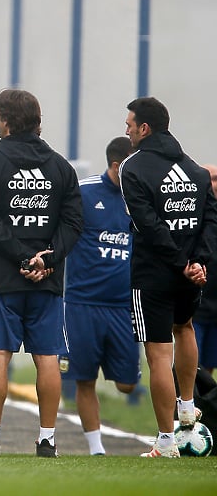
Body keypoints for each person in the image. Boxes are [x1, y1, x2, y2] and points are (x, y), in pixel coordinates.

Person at [0, 88, 83, 457]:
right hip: (47, 279)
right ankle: (48, 439)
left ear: (3, 120)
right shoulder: (61, 168)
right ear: (38, 121)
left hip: (2, 276)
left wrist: (21, 257)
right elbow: (73, 222)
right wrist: (46, 259)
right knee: (47, 356)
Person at [118, 96, 217, 458]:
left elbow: (150, 226)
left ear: (145, 128)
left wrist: (180, 262)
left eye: (129, 123)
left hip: (154, 274)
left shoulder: (134, 168)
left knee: (159, 354)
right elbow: (210, 218)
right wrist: (198, 262)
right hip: (191, 274)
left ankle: (165, 441)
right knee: (186, 326)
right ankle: (188, 406)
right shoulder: (194, 169)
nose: (126, 129)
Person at [61, 136, 140, 455]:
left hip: (123, 306)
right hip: (82, 304)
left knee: (127, 384)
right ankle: (96, 448)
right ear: (116, 165)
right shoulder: (84, 192)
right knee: (84, 379)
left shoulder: (139, 197)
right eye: (131, 169)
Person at [192, 164, 217, 376]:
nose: (213, 184)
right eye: (209, 179)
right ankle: (188, 407)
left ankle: (206, 409)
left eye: (216, 179)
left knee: (208, 370)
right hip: (195, 309)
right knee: (194, 368)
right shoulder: (190, 219)